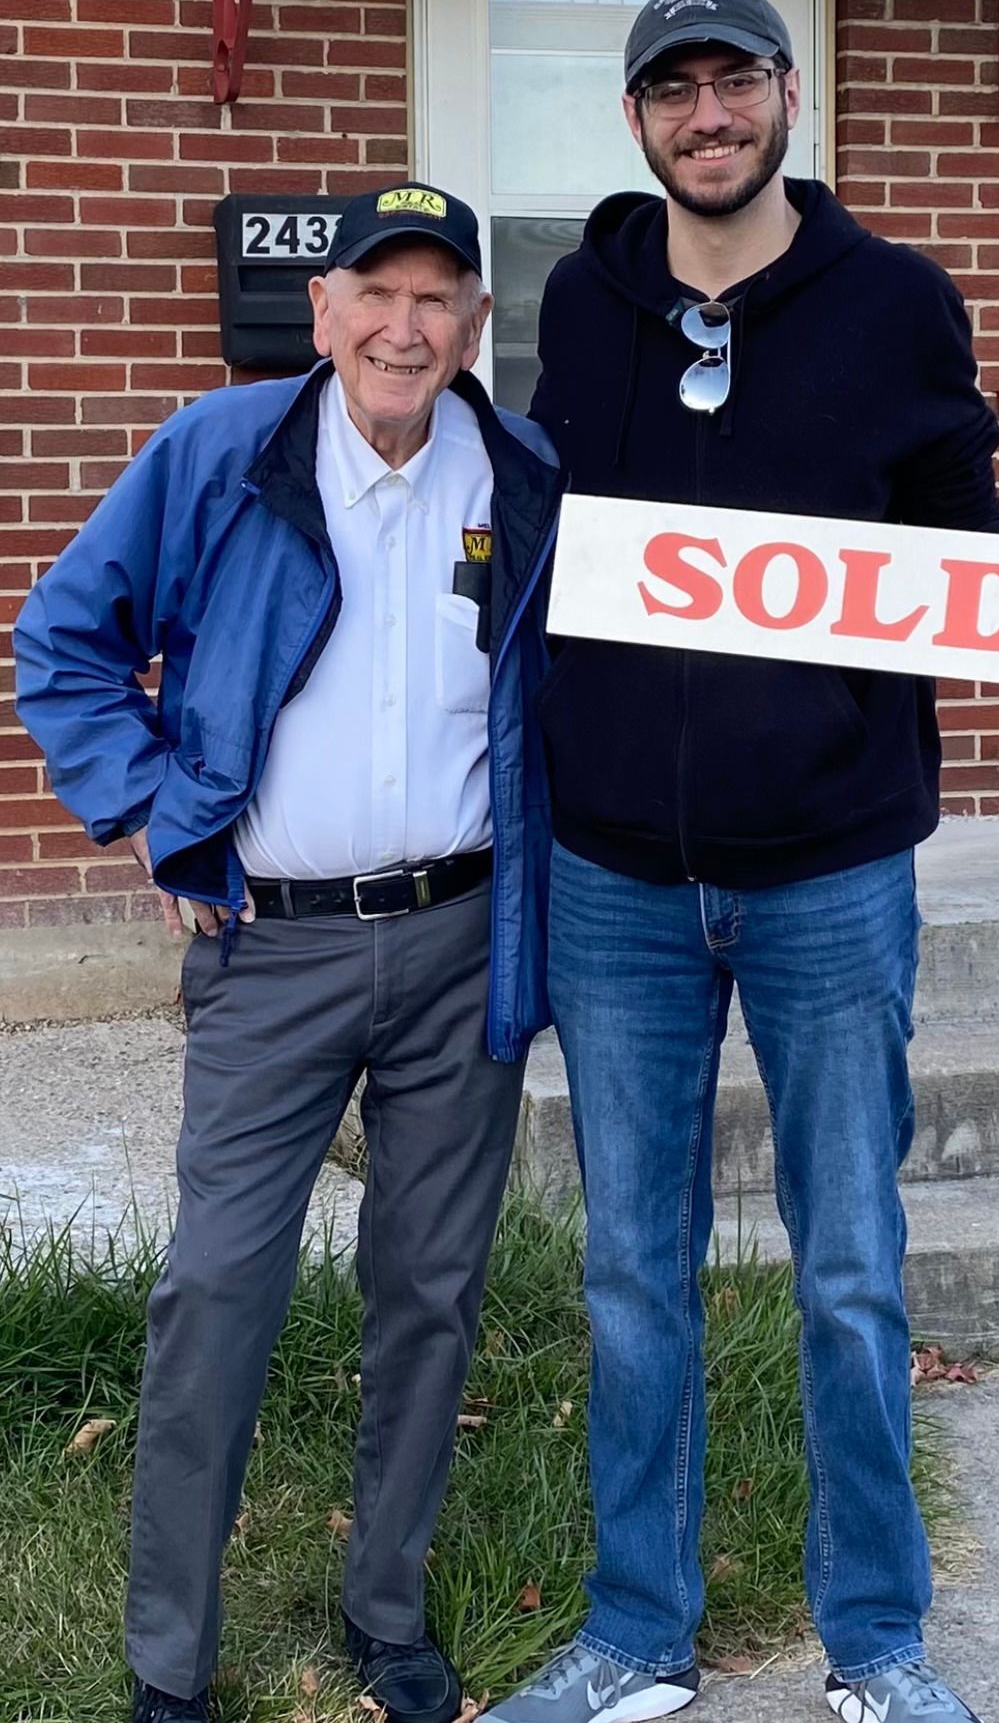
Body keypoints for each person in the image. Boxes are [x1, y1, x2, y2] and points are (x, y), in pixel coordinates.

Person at [491, 0, 999, 1723]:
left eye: (734, 83)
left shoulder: (895, 305)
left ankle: (877, 1643)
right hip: (621, 874)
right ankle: (638, 1632)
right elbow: (560, 538)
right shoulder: (588, 295)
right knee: (635, 1269)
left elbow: (962, 546)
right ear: (637, 120)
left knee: (850, 1264)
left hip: (830, 870)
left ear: (785, 95)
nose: (707, 118)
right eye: (673, 92)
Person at [15, 182, 560, 1723]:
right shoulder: (221, 453)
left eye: (435, 297)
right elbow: (61, 640)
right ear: (322, 314)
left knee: (431, 1288)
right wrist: (147, 815)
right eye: (373, 295)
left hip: (461, 939)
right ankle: (168, 1663)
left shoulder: (519, 470)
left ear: (472, 323)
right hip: (274, 950)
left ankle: (386, 1611)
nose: (404, 327)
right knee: (216, 1290)